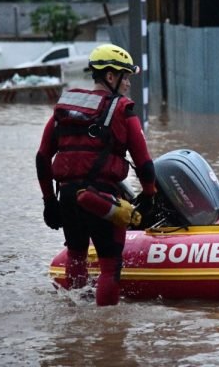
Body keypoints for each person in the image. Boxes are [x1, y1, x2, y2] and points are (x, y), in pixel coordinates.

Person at [36, 43, 157, 306]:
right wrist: (149, 197)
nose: (128, 84)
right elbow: (145, 164)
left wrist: (49, 202)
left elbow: (42, 158)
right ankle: (107, 328)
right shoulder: (124, 110)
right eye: (125, 77)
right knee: (110, 267)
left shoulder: (65, 109)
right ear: (110, 77)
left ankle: (75, 317)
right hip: (102, 200)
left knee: (76, 257)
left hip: (68, 197)